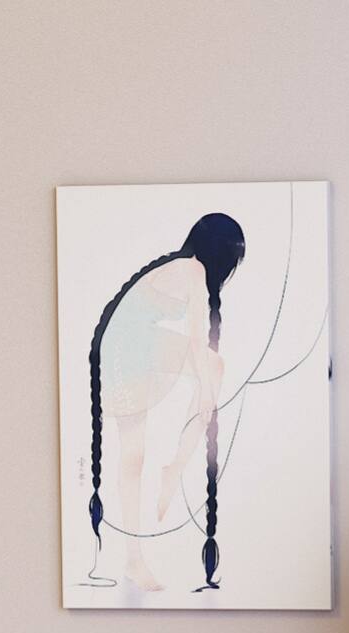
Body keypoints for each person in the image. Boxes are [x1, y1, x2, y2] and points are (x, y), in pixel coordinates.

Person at [83, 213, 245, 592]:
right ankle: (133, 560)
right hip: (123, 351)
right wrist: (204, 390)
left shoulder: (186, 269)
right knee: (133, 456)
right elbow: (193, 341)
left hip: (140, 343)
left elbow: (200, 348)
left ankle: (173, 468)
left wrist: (206, 385)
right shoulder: (190, 271)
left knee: (213, 368)